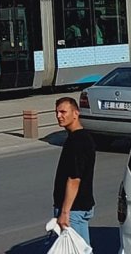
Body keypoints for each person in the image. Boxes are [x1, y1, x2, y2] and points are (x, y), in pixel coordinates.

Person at [53, 95, 95, 245]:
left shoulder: (78, 141)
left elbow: (74, 179)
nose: (59, 116)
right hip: (78, 207)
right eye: (57, 112)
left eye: (63, 112)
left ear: (76, 113)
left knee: (75, 248)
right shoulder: (78, 138)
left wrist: (65, 212)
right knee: (81, 248)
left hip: (73, 210)